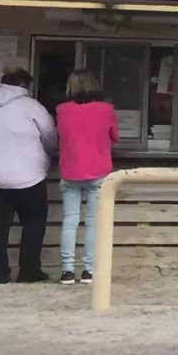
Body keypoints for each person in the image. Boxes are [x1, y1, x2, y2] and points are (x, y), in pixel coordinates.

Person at [0, 68, 58, 284]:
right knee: (34, 221)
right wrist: (48, 155)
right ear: (26, 85)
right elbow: (50, 137)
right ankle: (29, 271)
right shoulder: (31, 106)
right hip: (28, 176)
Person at [55, 70, 119, 286]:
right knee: (93, 223)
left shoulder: (61, 110)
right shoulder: (106, 110)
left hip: (70, 171)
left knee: (70, 221)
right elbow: (115, 136)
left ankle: (67, 271)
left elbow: (59, 136)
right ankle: (89, 271)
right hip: (98, 171)